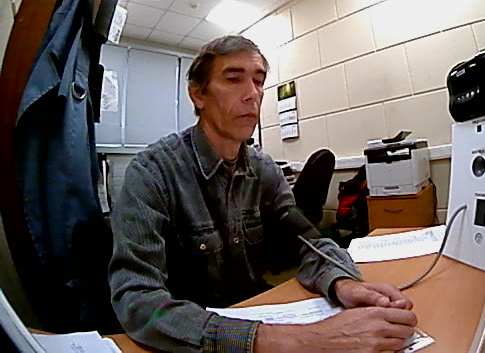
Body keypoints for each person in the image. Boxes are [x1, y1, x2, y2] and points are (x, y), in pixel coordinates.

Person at [109, 35, 417, 353]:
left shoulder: (264, 169)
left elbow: (310, 244)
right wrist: (287, 340)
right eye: (234, 79)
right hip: (190, 337)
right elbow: (137, 299)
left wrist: (344, 283)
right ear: (198, 94)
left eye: (258, 81)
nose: (252, 94)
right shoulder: (152, 172)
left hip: (256, 309)